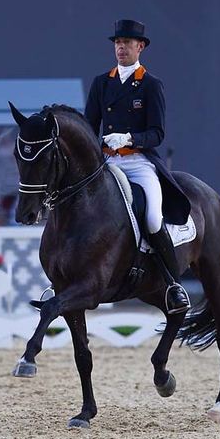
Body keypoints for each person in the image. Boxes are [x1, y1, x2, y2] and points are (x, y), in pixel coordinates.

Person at [84, 19, 191, 314]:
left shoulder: (151, 84)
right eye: (118, 43)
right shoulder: (101, 83)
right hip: (107, 162)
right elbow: (88, 127)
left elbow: (157, 133)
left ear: (140, 47)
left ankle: (173, 284)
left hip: (137, 162)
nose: (121, 48)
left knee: (154, 218)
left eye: (127, 43)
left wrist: (129, 137)